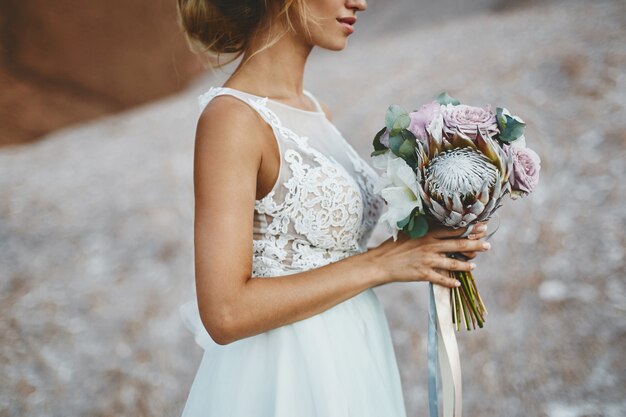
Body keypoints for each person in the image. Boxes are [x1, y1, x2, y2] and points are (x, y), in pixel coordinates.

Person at [176, 0, 491, 415]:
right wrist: (382, 263)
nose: (360, 1)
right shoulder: (232, 118)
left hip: (353, 353)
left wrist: (428, 240)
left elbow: (329, 252)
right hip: (286, 371)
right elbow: (225, 312)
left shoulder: (314, 109)